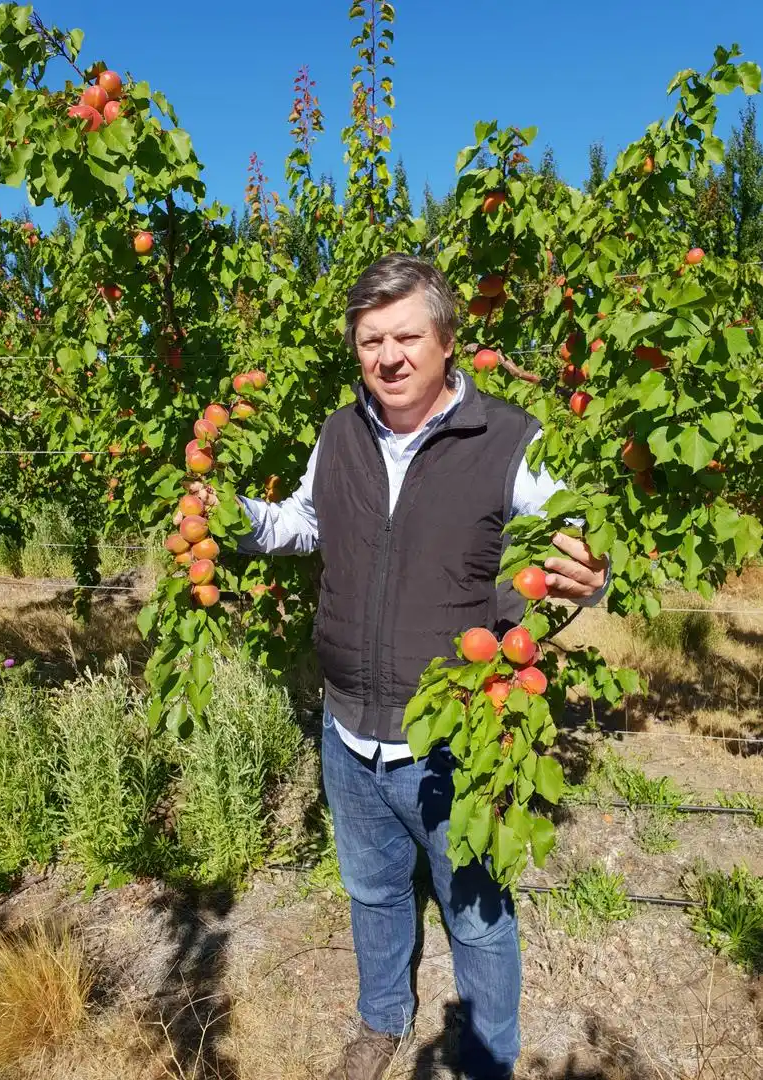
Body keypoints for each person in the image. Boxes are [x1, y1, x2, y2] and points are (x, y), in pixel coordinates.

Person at [238, 254, 608, 1080]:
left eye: (407, 335)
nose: (388, 356)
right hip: (347, 729)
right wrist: (234, 519)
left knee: (476, 917)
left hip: (455, 738)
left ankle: (486, 1058)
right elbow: (303, 521)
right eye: (371, 340)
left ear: (446, 341)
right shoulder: (340, 432)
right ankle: (381, 1020)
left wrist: (593, 566)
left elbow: (571, 534)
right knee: (372, 896)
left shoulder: (509, 438)